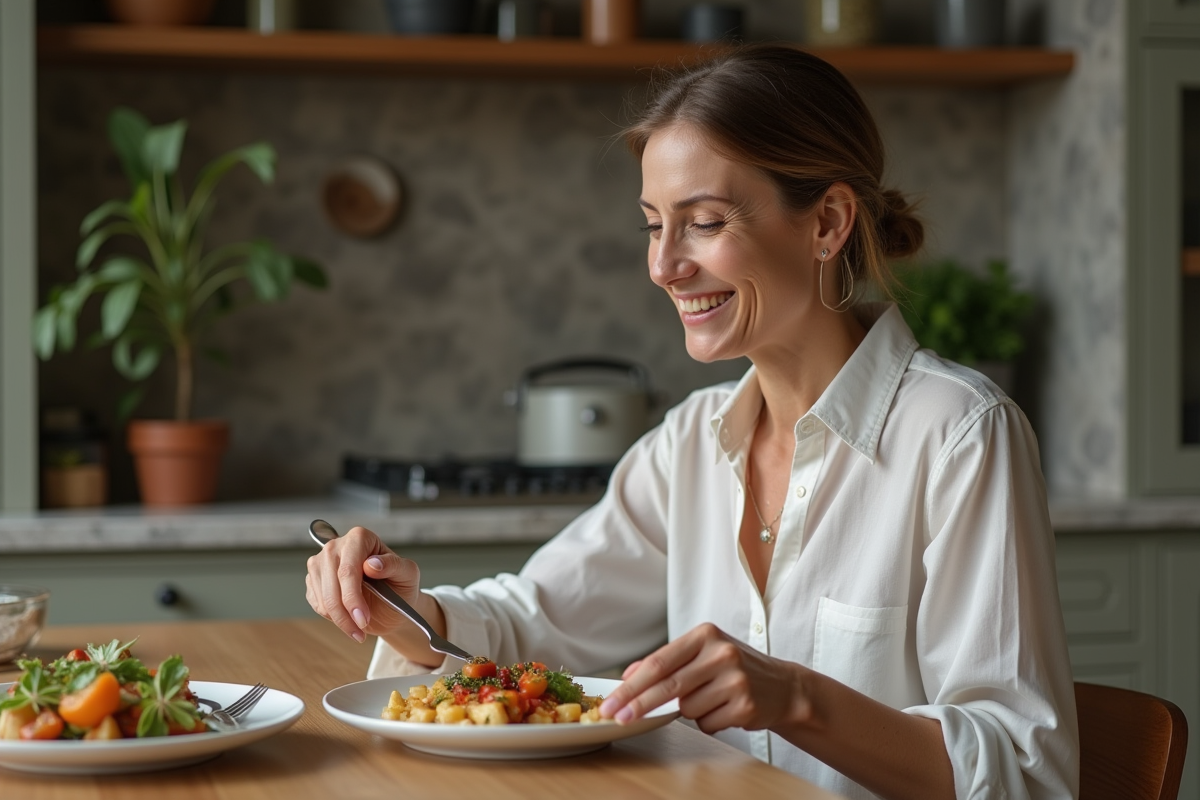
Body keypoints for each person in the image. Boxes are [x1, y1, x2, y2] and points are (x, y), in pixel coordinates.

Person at [306, 44, 1078, 800]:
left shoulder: (960, 435)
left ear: (828, 223)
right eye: (652, 225)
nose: (664, 265)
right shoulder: (689, 442)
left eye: (703, 222)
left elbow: (1024, 775)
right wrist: (409, 611)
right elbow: (537, 624)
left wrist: (797, 700)